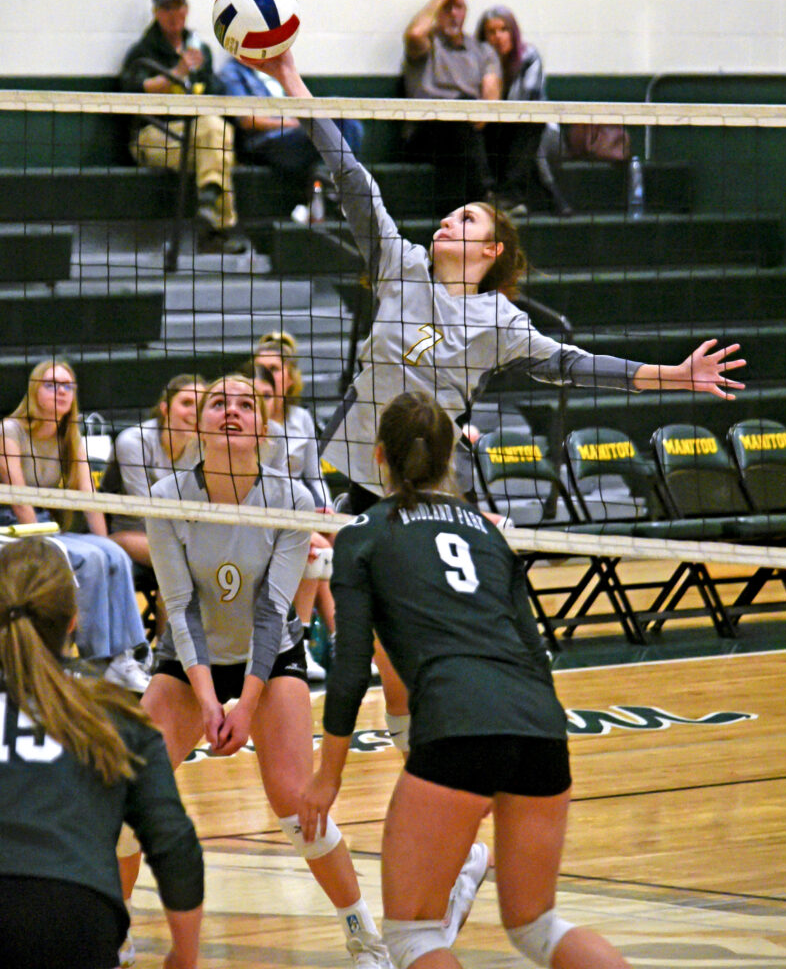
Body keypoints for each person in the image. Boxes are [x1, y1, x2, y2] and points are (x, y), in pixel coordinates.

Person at [243, 43, 745, 766]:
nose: (449, 222)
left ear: (492, 252)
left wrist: (673, 375)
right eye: (450, 215)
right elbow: (351, 178)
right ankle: (390, 769)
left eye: (468, 221)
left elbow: (575, 367)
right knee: (351, 632)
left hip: (429, 487)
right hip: (351, 476)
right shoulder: (399, 264)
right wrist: (289, 78)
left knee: (419, 644)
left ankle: (460, 755)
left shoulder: (501, 322)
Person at [299, 390, 632, 969]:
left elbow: (351, 667)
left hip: (457, 723)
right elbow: (534, 647)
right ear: (451, 457)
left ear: (379, 456)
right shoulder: (488, 530)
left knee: (414, 937)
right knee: (537, 925)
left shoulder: (362, 532)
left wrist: (327, 777)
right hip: (539, 724)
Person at [120, 375, 392, 969]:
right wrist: (207, 698)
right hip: (187, 658)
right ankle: (111, 937)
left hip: (268, 659)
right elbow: (180, 607)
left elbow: (273, 611)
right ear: (197, 421)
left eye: (247, 404)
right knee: (123, 794)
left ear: (262, 427)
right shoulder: (167, 493)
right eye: (219, 402)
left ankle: (364, 936)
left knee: (297, 803)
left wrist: (242, 704)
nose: (232, 412)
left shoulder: (291, 497)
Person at [0, 535, 203, 969]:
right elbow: (175, 843)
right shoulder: (115, 715)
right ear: (74, 619)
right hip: (78, 918)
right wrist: (184, 955)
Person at [0, 360, 151, 692]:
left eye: (68, 386)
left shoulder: (71, 436)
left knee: (112, 554)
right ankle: (95, 660)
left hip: (43, 523)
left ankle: (124, 656)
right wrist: (44, 543)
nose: (61, 392)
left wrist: (107, 542)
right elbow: (18, 498)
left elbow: (89, 499)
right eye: (51, 384)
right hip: (10, 526)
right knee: (90, 559)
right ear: (33, 389)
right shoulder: (10, 431)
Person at [119, 0, 246, 255]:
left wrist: (202, 77)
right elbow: (134, 89)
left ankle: (209, 209)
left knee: (216, 133)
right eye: (165, 8)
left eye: (177, 7)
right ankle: (215, 226)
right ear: (155, 13)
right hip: (153, 135)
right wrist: (177, 72)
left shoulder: (200, 50)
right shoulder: (142, 51)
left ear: (186, 9)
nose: (172, 14)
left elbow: (215, 93)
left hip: (196, 133)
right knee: (218, 140)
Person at [254, 332, 336, 679]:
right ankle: (321, 641)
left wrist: (329, 512)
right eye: (261, 368)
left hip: (299, 505)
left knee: (337, 538)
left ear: (290, 375)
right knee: (315, 549)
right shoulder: (252, 421)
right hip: (269, 512)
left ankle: (334, 640)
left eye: (274, 368)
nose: (267, 375)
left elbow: (314, 475)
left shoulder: (301, 419)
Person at [218, 56, 364, 221]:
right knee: (329, 129)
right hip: (264, 143)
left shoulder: (272, 69)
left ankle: (341, 187)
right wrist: (293, 123)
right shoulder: (232, 72)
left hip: (293, 134)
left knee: (347, 121)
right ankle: (342, 191)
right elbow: (247, 120)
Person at [402, 0, 502, 207]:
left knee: (528, 122)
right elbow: (415, 33)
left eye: (459, 8)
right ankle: (486, 197)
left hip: (469, 126)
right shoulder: (427, 45)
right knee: (462, 108)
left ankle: (512, 196)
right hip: (427, 132)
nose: (453, 14)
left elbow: (490, 99)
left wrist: (476, 114)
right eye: (447, 8)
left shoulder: (482, 51)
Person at [476, 6, 573, 217]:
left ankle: (548, 195)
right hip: (501, 131)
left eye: (503, 29)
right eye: (491, 32)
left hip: (541, 129)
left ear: (513, 32)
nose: (498, 37)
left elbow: (523, 105)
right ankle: (509, 198)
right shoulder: (479, 60)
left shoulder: (529, 56)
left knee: (533, 140)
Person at [108, 374, 205, 568]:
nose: (195, 412)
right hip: (130, 533)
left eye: (202, 406)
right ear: (165, 409)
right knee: (185, 562)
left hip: (179, 537)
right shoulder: (134, 442)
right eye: (187, 403)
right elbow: (146, 513)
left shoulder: (204, 447)